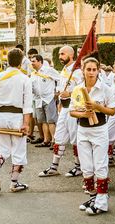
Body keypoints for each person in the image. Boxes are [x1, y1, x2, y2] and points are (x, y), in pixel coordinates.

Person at [70, 57, 115, 215]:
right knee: (86, 167)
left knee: (100, 165)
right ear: (83, 70)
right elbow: (71, 111)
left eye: (94, 70)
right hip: (82, 130)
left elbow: (112, 111)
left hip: (99, 130)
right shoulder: (77, 89)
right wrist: (83, 113)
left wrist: (97, 107)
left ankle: (102, 202)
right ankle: (93, 197)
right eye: (88, 69)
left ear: (98, 71)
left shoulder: (105, 88)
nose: (91, 73)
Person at [0, 48, 33, 192]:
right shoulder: (25, 78)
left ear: (7, 61)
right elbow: (27, 105)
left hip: (0, 116)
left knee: (1, 148)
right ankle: (14, 182)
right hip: (17, 117)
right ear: (21, 62)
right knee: (18, 150)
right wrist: (26, 124)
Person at [38, 46, 83, 177]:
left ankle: (78, 166)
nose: (60, 56)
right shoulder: (64, 70)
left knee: (75, 139)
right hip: (64, 108)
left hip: (74, 108)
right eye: (59, 54)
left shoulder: (77, 72)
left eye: (62, 54)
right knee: (59, 136)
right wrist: (59, 103)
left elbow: (83, 90)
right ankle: (54, 166)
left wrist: (70, 92)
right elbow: (60, 88)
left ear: (71, 54)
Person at [30, 54, 60, 147]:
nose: (32, 63)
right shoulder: (33, 74)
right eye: (31, 61)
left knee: (51, 120)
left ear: (40, 61)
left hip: (48, 98)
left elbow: (60, 79)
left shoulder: (49, 70)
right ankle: (46, 140)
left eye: (33, 61)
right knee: (42, 121)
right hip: (38, 100)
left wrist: (57, 91)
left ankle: (54, 141)